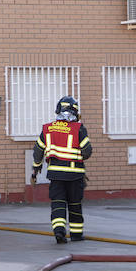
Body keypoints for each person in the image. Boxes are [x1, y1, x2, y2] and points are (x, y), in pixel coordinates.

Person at [31, 95, 93, 243]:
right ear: (74, 112)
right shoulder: (79, 128)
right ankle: (76, 235)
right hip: (75, 175)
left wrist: (36, 169)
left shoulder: (48, 128)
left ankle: (59, 232)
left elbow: (38, 151)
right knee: (74, 204)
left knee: (58, 203)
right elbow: (87, 151)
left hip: (55, 175)